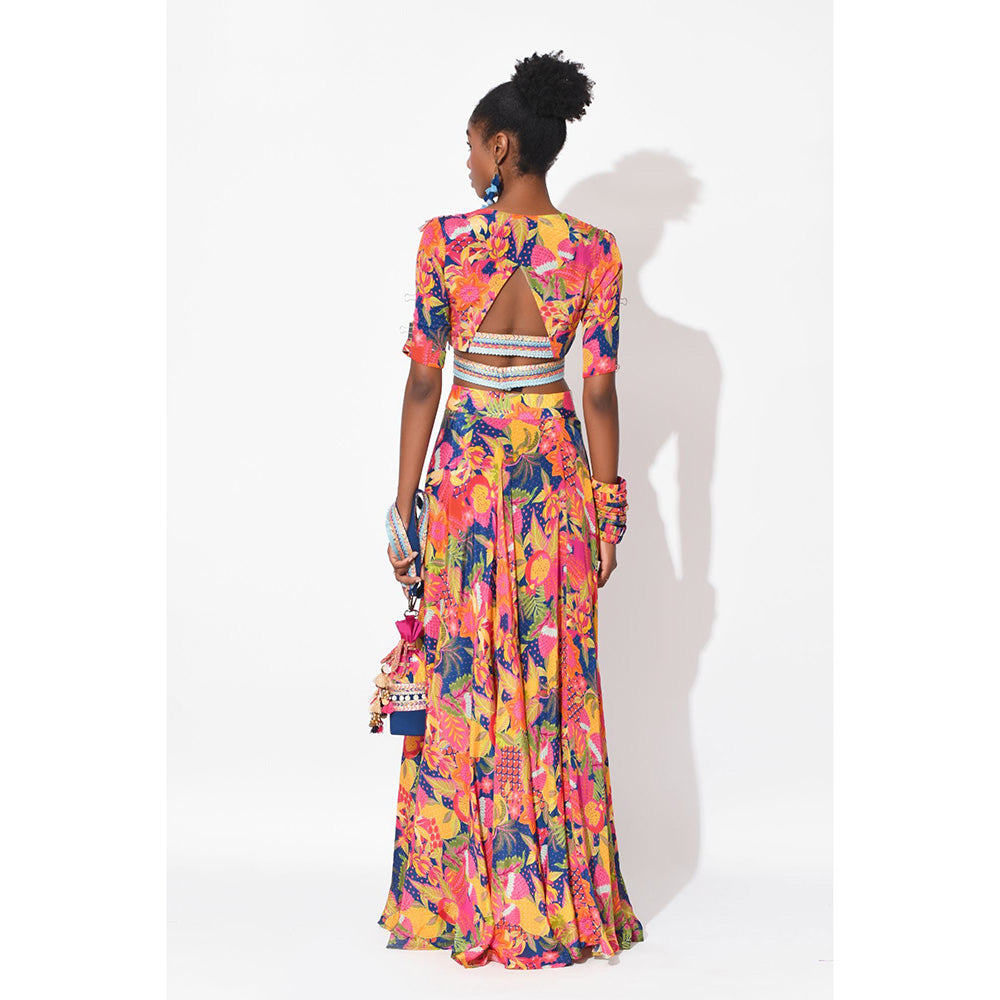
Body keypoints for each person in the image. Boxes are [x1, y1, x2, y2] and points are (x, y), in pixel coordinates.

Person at [378, 49, 644, 969]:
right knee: (551, 677)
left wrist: (401, 508)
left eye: (470, 145)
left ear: (501, 147)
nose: (465, 161)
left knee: (462, 673)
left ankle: (461, 896)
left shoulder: (445, 241)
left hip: (464, 483)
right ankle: (554, 895)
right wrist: (609, 513)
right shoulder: (596, 250)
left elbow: (424, 382)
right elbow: (599, 392)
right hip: (556, 487)